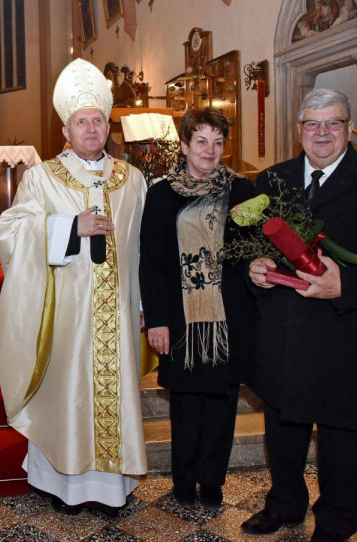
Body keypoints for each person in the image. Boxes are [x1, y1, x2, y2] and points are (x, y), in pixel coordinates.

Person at [241, 89, 357, 542]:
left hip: (345, 330)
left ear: (349, 128)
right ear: (299, 129)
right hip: (283, 331)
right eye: (312, 124)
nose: (322, 133)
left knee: (340, 436)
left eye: (333, 123)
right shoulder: (272, 181)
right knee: (283, 428)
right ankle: (285, 503)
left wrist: (347, 285)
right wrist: (254, 271)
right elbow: (258, 251)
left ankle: (338, 519)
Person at [0, 58, 148, 517]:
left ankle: (111, 489)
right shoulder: (41, 178)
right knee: (68, 394)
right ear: (65, 131)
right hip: (65, 314)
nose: (91, 128)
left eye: (98, 120)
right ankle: (63, 486)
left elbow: (143, 246)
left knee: (113, 394)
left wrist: (143, 302)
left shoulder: (132, 180)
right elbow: (10, 230)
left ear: (107, 125)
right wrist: (67, 227)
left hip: (117, 312)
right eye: (81, 121)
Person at [139, 108, 256, 510]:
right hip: (180, 317)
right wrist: (156, 320)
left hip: (229, 317)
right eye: (201, 141)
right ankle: (184, 481)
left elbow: (250, 256)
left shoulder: (240, 192)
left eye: (218, 142)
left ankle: (213, 482)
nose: (210, 150)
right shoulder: (161, 194)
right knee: (186, 404)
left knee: (223, 405)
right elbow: (151, 262)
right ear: (185, 145)